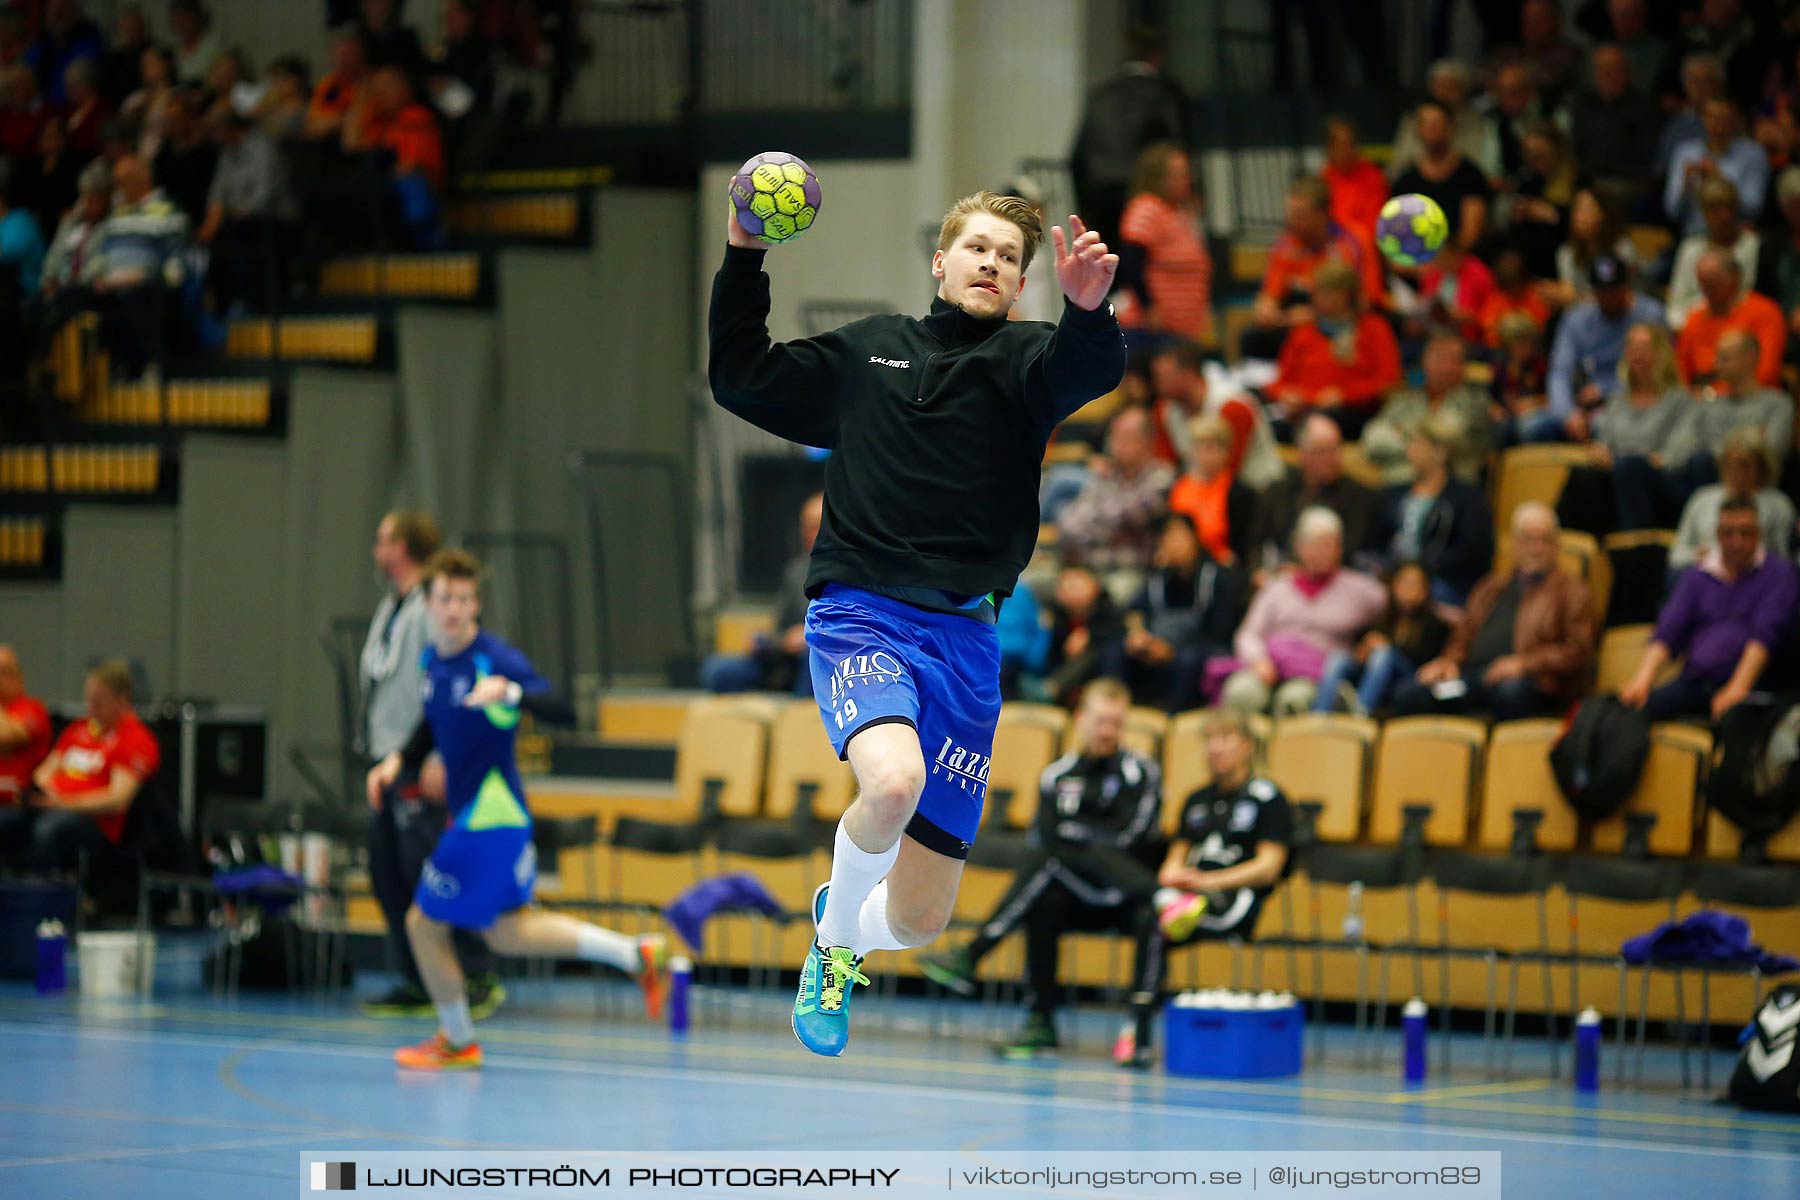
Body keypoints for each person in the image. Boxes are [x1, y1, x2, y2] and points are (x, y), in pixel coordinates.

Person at [708, 190, 1125, 1057]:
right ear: (941, 263)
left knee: (922, 919)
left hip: (966, 644)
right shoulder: (870, 352)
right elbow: (742, 374)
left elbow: (1089, 371)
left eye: (1010, 258)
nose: (991, 264)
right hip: (862, 616)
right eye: (976, 247)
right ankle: (831, 956)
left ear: (1019, 284)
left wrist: (1089, 311)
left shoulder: (1027, 361)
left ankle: (846, 920)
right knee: (891, 784)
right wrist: (745, 251)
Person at [364, 550, 665, 1069]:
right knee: (506, 931)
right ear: (428, 605)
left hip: (489, 819)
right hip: (484, 822)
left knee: (422, 924)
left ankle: (457, 1041)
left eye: (463, 599)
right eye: (443, 599)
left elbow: (565, 709)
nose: (453, 608)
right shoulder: (432, 662)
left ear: (475, 604)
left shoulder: (494, 660)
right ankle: (632, 953)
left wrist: (513, 692)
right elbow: (434, 723)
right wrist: (398, 760)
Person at [914, 678, 1165, 1064]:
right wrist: (1080, 843)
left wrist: (1076, 839)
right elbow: (1046, 839)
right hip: (1073, 888)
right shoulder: (1057, 776)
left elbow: (1131, 838)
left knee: (1050, 862)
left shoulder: (1141, 771)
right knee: (1044, 894)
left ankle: (975, 951)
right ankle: (1040, 1021)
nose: (1107, 731)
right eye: (1101, 721)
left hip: (1127, 891)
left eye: (1116, 723)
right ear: (1081, 719)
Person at [357, 511, 505, 1021]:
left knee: (434, 868)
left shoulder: (432, 608)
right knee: (388, 870)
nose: (375, 548)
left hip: (422, 760)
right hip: (390, 758)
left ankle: (474, 972)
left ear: (403, 547)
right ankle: (419, 976)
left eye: (382, 539)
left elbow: (454, 681)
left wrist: (440, 753)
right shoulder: (391, 608)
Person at [1126, 710, 1292, 1065]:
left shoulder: (1268, 797)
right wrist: (1174, 875)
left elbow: (1268, 868)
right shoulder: (1196, 798)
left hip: (1236, 899)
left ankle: (1137, 1029)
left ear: (1247, 746)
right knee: (1148, 915)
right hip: (1192, 895)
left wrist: (1207, 881)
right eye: (1210, 740)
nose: (1216, 748)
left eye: (1226, 739)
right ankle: (1139, 1024)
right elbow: (1175, 857)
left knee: (1157, 923)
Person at [1391, 502, 1593, 720]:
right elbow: (1462, 636)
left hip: (1535, 683)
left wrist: (1523, 664)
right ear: (1515, 544)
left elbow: (1578, 651)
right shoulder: (1490, 588)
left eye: (1544, 540)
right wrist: (1448, 662)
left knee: (1511, 693)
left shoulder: (1572, 592)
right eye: (1527, 539)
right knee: (1411, 694)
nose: (1536, 549)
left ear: (1556, 545)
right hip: (1478, 680)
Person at [1619, 498, 1798, 722]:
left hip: (1755, 685)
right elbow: (1669, 630)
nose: (1737, 542)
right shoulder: (1698, 575)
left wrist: (1737, 686)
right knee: (1630, 710)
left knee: (1736, 718)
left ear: (1759, 534)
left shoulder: (1779, 574)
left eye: (1746, 533)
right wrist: (1642, 680)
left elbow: (1766, 635)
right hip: (1696, 682)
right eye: (1728, 533)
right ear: (1717, 534)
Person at [1215, 506, 1386, 714]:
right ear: (1299, 547)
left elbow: (1404, 603)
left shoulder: (1362, 590)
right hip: (1269, 666)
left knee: (1293, 699)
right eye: (1313, 544)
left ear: (1339, 549)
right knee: (1240, 692)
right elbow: (1248, 633)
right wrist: (1259, 660)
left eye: (1328, 544)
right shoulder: (1277, 587)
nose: (1320, 552)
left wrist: (1379, 638)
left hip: (1317, 674)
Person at [0, 661, 158, 873]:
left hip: (94, 823)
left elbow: (117, 799)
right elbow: (44, 773)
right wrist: (34, 794)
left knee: (47, 830)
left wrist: (61, 803)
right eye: (89, 698)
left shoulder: (135, 739)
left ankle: (41, 897)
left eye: (99, 701)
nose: (90, 707)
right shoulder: (78, 730)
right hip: (50, 806)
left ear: (122, 700)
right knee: (6, 820)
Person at [1068, 24, 1186, 249]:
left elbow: (1077, 157)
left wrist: (1084, 206)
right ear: (1158, 56)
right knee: (1141, 271)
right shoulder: (1165, 94)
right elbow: (1175, 149)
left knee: (1106, 267)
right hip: (1145, 198)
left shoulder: (1100, 95)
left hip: (1100, 194)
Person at [1109, 513, 1241, 713]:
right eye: (1168, 538)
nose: (1174, 544)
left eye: (1181, 537)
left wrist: (1172, 651)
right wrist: (1138, 634)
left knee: (1188, 660)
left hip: (1202, 650)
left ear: (1195, 540)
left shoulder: (1216, 578)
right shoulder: (1158, 578)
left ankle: (1172, 719)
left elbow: (1220, 635)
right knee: (1115, 650)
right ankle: (1114, 709)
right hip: (1156, 647)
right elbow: (1133, 611)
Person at [1575, 322, 1696, 532]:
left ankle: (1635, 543)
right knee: (1584, 475)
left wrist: (1621, 461)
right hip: (1616, 478)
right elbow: (1602, 444)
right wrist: (1601, 454)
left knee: (1629, 467)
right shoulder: (1617, 402)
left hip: (1660, 485)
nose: (1637, 354)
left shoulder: (1680, 401)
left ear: (1662, 354)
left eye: (1645, 347)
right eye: (1632, 347)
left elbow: (1674, 456)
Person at [700, 493, 820, 697]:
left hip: (822, 660)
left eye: (816, 525)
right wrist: (769, 641)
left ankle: (799, 722)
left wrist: (810, 634)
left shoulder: (852, 571)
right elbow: (781, 628)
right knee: (718, 670)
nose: (808, 533)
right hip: (785, 663)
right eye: (805, 526)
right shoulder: (795, 571)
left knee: (813, 654)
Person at [1265, 260, 1401, 440]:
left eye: (1326, 293)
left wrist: (1345, 396)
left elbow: (1388, 382)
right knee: (1264, 425)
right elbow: (1280, 381)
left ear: (1346, 296)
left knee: (1319, 424)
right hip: (1303, 410)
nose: (1317, 299)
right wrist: (1286, 395)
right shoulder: (1304, 331)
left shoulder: (1374, 328)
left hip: (1352, 412)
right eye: (1316, 292)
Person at [1250, 176, 1382, 358]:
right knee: (1252, 339)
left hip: (1345, 322)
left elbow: (1367, 302)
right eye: (1290, 214)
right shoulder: (1286, 244)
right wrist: (1266, 310)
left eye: (1301, 216)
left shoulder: (1354, 241)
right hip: (1296, 324)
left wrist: (1316, 316)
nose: (1292, 222)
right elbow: (1270, 295)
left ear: (1323, 215)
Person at [1372, 415, 1494, 604]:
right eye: (1409, 444)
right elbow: (1378, 539)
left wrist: (1420, 570)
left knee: (1417, 594)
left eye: (1417, 444)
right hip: (1394, 573)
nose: (1409, 450)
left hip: (1440, 580)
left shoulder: (1467, 498)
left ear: (1440, 451)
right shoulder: (1395, 493)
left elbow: (1472, 551)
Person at [1546, 253, 1664, 436]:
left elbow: (1658, 372)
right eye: (1601, 291)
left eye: (1613, 290)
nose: (1607, 297)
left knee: (1601, 425)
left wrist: (1605, 389)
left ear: (1626, 286)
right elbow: (1560, 371)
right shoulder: (1577, 318)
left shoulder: (1649, 315)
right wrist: (1568, 414)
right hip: (1582, 405)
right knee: (1532, 428)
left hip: (1631, 401)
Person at [1056, 407, 1174, 588]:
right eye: (1113, 436)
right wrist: (1107, 528)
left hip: (1130, 572)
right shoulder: (1105, 476)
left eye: (1124, 437)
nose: (1115, 444)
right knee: (1027, 585)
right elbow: (1068, 525)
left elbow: (1125, 518)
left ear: (1146, 442)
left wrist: (1094, 519)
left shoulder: (1161, 478)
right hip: (1086, 571)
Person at [1313, 561, 1452, 714]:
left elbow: (1424, 660)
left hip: (1410, 679)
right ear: (1393, 586)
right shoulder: (1382, 618)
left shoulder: (1436, 625)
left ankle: (1361, 713)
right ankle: (1320, 715)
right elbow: (1361, 654)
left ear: (1426, 589)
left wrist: (1387, 647)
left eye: (1415, 584)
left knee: (1383, 653)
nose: (1409, 589)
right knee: (1338, 657)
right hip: (1376, 676)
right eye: (1404, 583)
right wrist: (1365, 650)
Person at [1251, 413, 1378, 574]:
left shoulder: (1359, 497)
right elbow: (1256, 542)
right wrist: (1257, 571)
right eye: (1322, 451)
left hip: (1333, 580)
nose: (1331, 459)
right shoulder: (1277, 492)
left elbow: (1352, 550)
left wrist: (1303, 570)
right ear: (1302, 453)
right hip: (1278, 576)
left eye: (1335, 449)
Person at [1361, 333, 1493, 485]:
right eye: (1439, 359)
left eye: (1453, 360)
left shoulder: (1476, 401)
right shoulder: (1405, 401)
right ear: (1425, 363)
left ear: (1463, 366)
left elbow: (1453, 439)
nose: (1445, 367)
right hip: (1399, 487)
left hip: (1454, 486)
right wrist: (1417, 444)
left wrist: (1403, 432)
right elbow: (1374, 438)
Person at [1115, 142, 1212, 345]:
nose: (1187, 180)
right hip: (1154, 331)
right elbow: (1131, 261)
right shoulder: (1146, 208)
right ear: (1158, 178)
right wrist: (1149, 306)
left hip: (1182, 330)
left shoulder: (1177, 212)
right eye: (1179, 174)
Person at [1669, 427, 1795, 572]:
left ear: (1761, 467)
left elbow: (1783, 558)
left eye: (1745, 465)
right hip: (1705, 574)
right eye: (1731, 463)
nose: (1737, 471)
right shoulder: (1701, 499)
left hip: (1756, 576)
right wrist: (1696, 556)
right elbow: (1676, 555)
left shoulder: (1778, 504)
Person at [1390, 100, 1493, 252]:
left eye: (1436, 123)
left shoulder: (1471, 176)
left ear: (1451, 127)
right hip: (1417, 262)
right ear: (1418, 130)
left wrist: (1443, 261)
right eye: (1426, 124)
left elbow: (1470, 234)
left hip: (1460, 261)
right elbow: (1397, 236)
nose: (1431, 129)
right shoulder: (1405, 182)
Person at [1565, 42, 1662, 202]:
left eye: (1614, 69)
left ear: (1628, 72)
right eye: (1601, 69)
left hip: (1629, 184)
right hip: (1589, 181)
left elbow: (1649, 160)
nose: (1607, 75)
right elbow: (1577, 149)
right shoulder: (1584, 105)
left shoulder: (1644, 109)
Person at [1675, 250, 1786, 386]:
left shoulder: (1765, 313)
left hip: (1749, 398)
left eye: (1713, 285)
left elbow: (1766, 372)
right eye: (1703, 286)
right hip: (1700, 398)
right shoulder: (1695, 317)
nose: (1707, 293)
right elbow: (1682, 370)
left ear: (1734, 279)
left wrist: (1721, 394)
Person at [1666, 178, 1761, 331]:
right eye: (1713, 209)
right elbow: (1676, 303)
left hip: (1737, 328)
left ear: (1736, 209)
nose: (1722, 216)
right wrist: (1689, 325)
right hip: (1691, 327)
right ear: (1703, 212)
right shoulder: (1690, 248)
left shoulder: (1752, 245)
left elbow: (1746, 296)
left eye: (1728, 207)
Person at [1665, 97, 1769, 237]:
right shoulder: (1686, 152)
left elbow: (1754, 208)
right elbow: (1672, 211)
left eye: (1724, 119)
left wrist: (1719, 178)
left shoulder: (1753, 154)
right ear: (1703, 119)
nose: (1717, 125)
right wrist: (1686, 186)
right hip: (1693, 235)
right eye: (1712, 118)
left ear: (1736, 121)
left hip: (1736, 237)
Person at [1166, 415, 1254, 568]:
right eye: (1202, 447)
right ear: (1191, 451)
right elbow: (1173, 530)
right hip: (1181, 563)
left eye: (1214, 447)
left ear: (1227, 452)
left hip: (1219, 564)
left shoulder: (1239, 493)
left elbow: (1242, 544)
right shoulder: (1179, 487)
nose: (1207, 455)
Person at [1321, 114, 1387, 250]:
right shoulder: (1324, 178)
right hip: (1332, 247)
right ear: (1328, 147)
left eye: (1349, 143)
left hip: (1365, 246)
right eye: (1338, 144)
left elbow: (1374, 223)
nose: (1344, 150)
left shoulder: (1372, 176)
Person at [0, 647, 52, 807]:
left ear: (18, 676)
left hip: (17, 805)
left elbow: (6, 737)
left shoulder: (32, 708)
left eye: (4, 672)